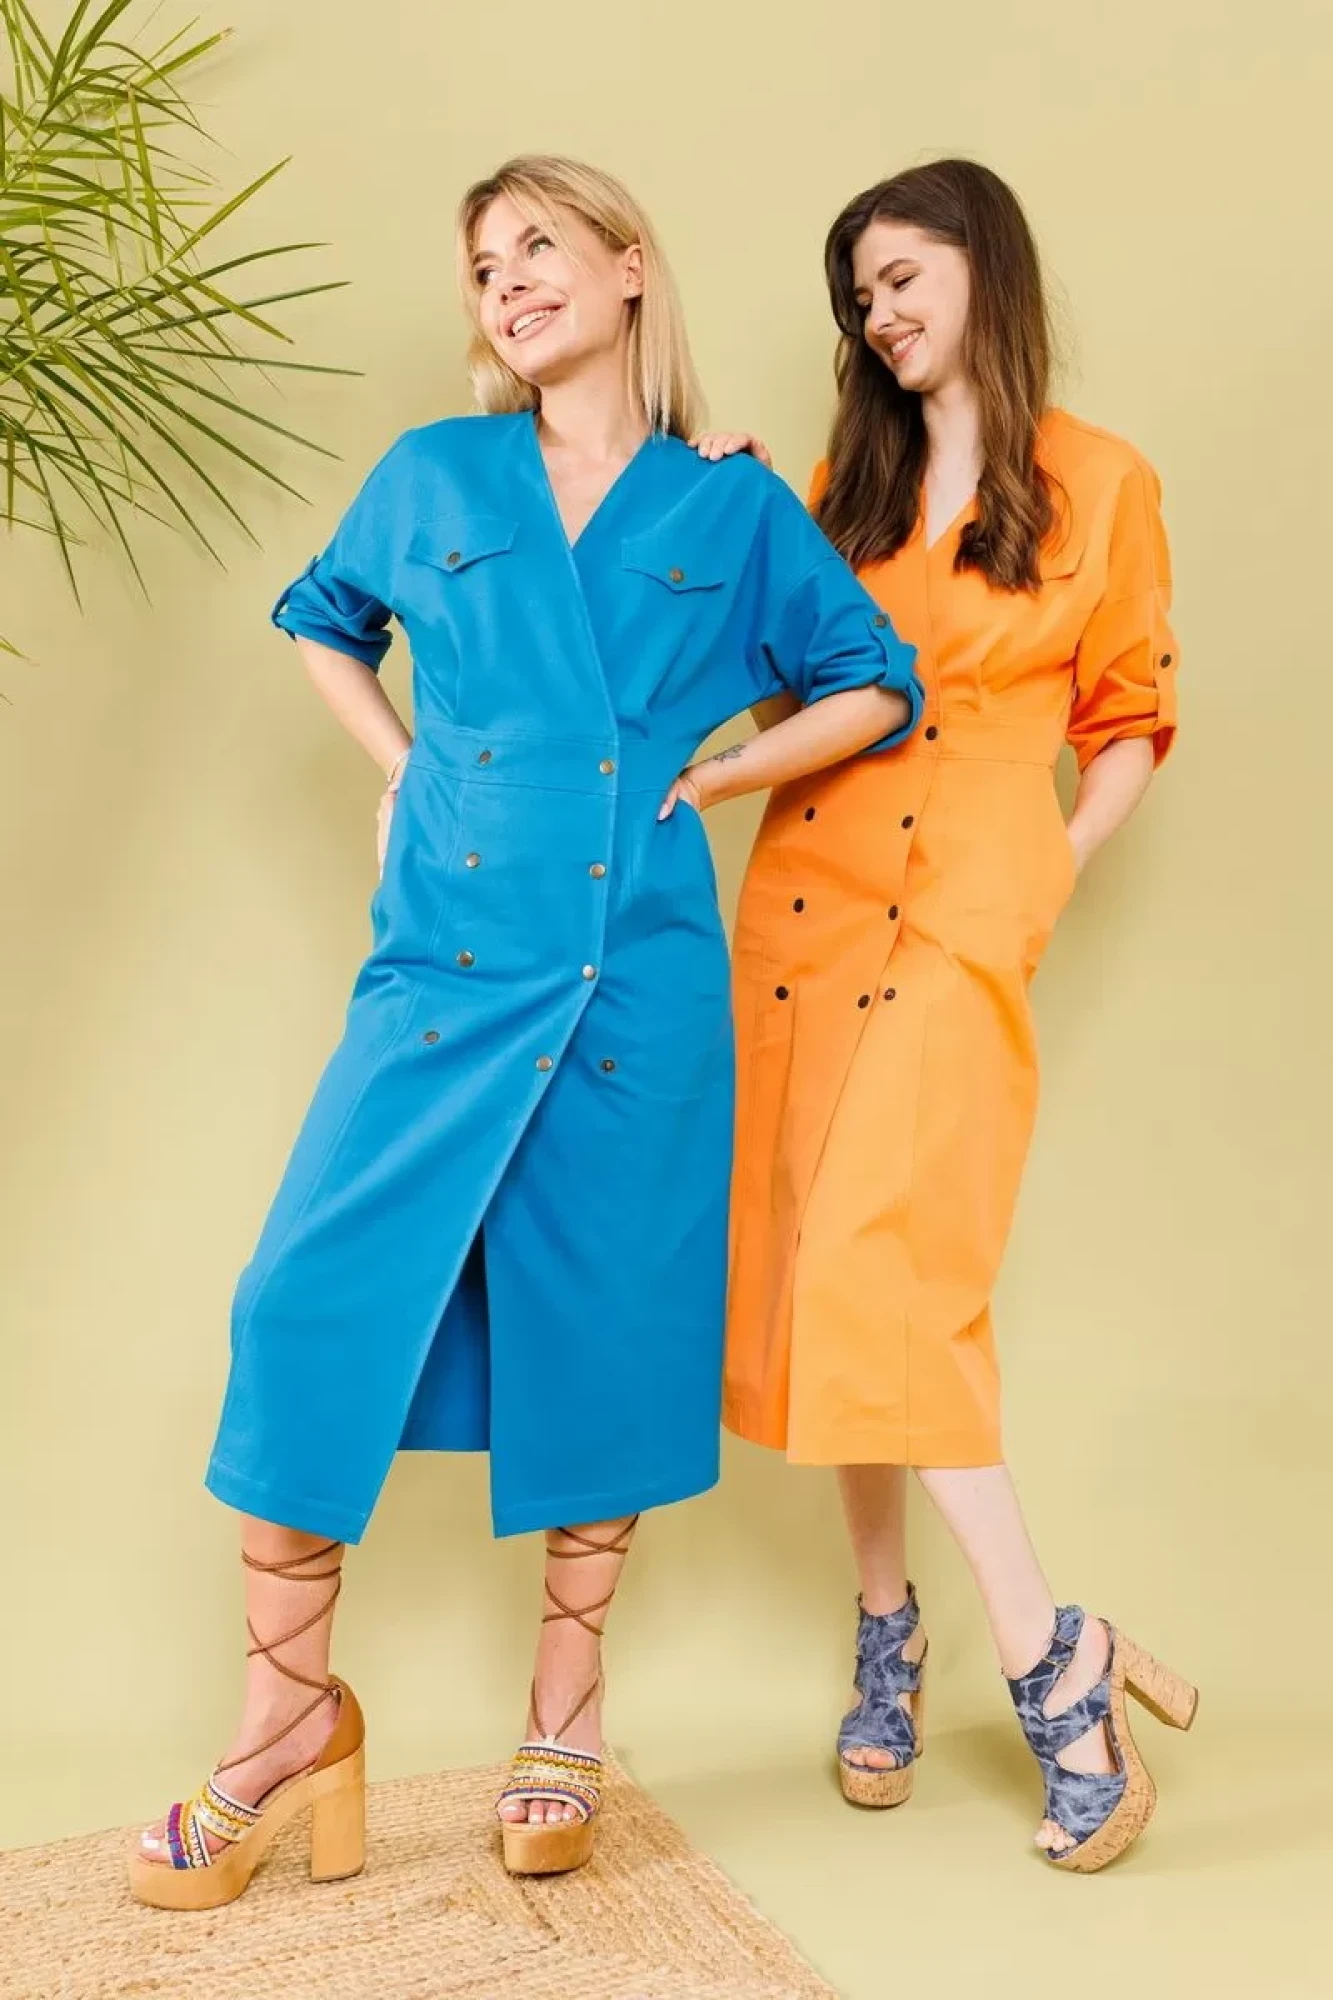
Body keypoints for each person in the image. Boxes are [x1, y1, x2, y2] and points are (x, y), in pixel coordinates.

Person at [127, 153, 922, 1910]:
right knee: (301, 1301)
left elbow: (876, 679)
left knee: (605, 1316)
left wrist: (719, 772)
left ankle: (567, 1704)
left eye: (540, 246)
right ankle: (286, 1715)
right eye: (484, 265)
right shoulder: (435, 471)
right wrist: (406, 767)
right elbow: (322, 624)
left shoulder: (728, 504)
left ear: (632, 267)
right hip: (444, 958)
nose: (508, 283)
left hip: (634, 975)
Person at [705, 159, 1196, 1872]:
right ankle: (886, 1631)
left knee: (888, 1267)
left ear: (986, 266)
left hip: (967, 900)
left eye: (904, 277)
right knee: (818, 1275)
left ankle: (1053, 1658)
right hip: (805, 905)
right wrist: (724, 513)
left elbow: (1129, 718)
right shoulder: (839, 491)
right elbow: (770, 679)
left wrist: (1052, 867)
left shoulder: (1102, 484)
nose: (881, 315)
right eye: (861, 296)